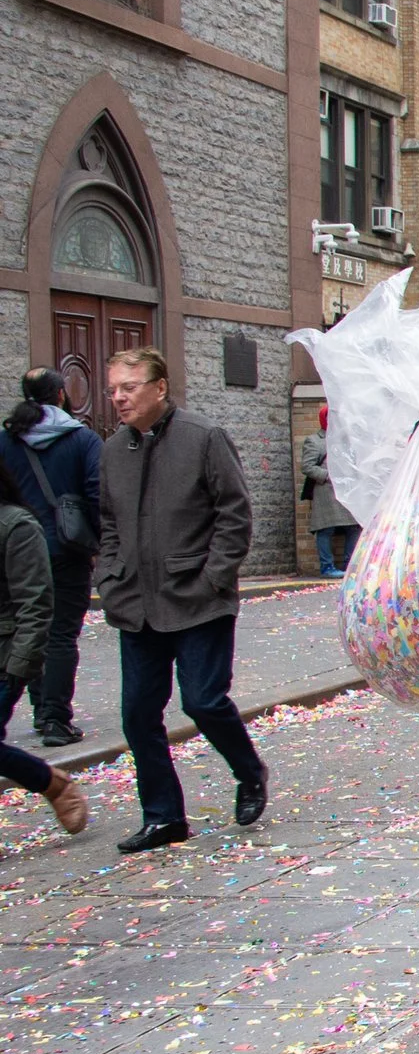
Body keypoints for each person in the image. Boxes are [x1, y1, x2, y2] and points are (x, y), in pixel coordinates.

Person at [96, 348, 267, 854]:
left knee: (203, 700)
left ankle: (249, 770)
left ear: (160, 387)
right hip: (136, 601)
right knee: (138, 714)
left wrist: (214, 577)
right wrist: (109, 576)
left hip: (197, 598)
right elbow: (107, 521)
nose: (119, 397)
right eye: (113, 389)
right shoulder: (112, 450)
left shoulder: (203, 437)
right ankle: (164, 816)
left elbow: (234, 514)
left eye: (129, 386)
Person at [0, 370, 102, 746]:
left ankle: (40, 707)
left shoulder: (6, 440)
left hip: (14, 551)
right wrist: (97, 543)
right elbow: (96, 494)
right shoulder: (81, 439)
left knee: (25, 628)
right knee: (60, 633)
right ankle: (55, 718)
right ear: (61, 395)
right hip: (65, 550)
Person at [0, 461, 86, 837]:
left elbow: (35, 604)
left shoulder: (16, 525)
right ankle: (51, 782)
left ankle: (52, 784)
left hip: (5, 657)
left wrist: (19, 667)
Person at [299, 407, 360, 576]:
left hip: (347, 490)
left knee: (354, 527)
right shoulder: (314, 441)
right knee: (325, 528)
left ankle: (350, 564)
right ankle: (327, 566)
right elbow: (307, 466)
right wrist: (328, 476)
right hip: (326, 491)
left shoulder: (347, 440)